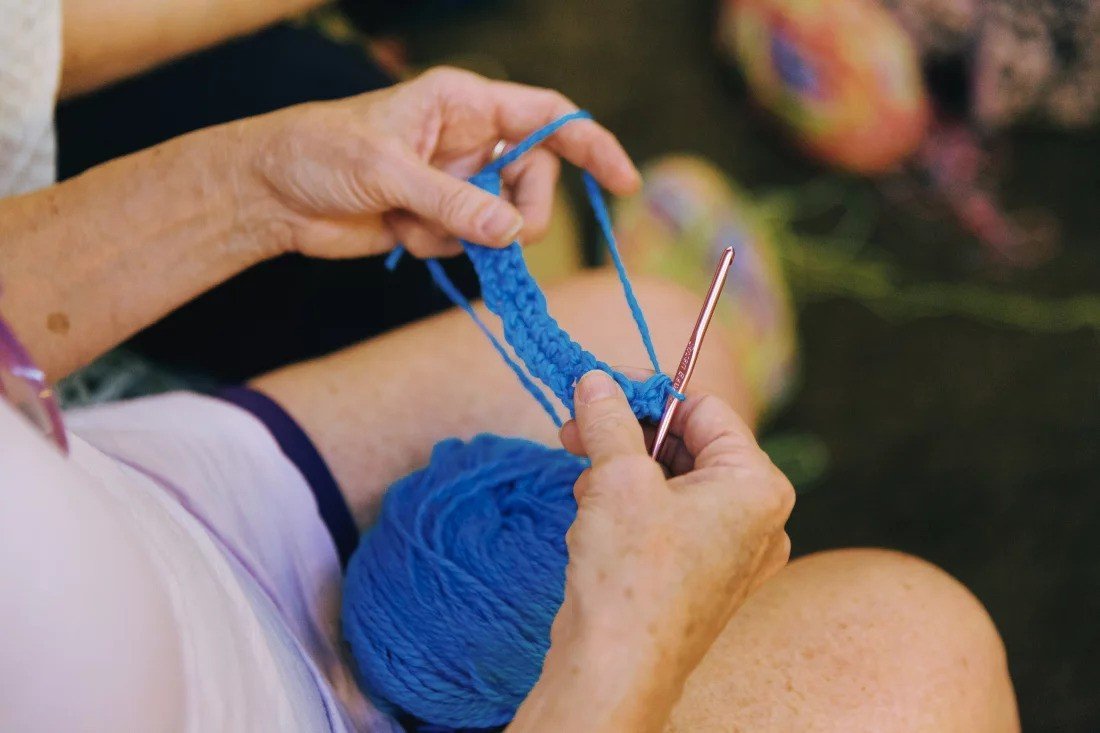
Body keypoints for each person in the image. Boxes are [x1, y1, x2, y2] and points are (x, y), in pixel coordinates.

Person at [0, 0, 1018, 728]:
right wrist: (621, 664)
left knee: (654, 336)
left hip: (171, 503)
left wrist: (258, 187)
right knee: (924, 638)